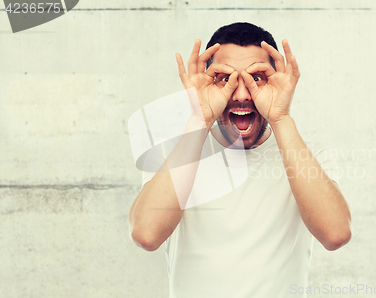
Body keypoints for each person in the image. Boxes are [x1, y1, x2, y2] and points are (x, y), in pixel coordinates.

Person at [128, 22, 351, 298]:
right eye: (226, 78)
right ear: (208, 81)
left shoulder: (307, 156)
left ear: (276, 80)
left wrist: (280, 117)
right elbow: (146, 234)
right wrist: (200, 118)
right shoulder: (174, 153)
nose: (243, 94)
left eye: (256, 78)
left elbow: (336, 234)